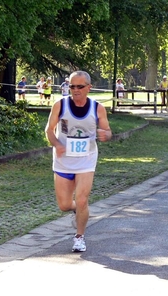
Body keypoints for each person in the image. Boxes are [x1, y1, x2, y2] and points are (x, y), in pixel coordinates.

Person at [45, 70, 112, 252]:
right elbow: (49, 130)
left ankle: (79, 237)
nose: (75, 90)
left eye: (79, 86)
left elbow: (107, 130)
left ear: (88, 88)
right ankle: (76, 210)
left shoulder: (97, 108)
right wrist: (57, 144)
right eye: (72, 86)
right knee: (64, 204)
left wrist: (105, 134)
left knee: (82, 200)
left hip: (86, 160)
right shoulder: (60, 105)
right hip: (63, 160)